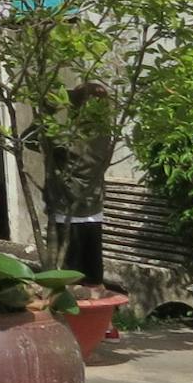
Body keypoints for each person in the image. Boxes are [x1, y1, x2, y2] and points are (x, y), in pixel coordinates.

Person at [44, 81, 114, 284]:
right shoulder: (104, 133)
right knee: (93, 270)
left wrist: (48, 108)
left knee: (69, 273)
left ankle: (71, 311)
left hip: (67, 208)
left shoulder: (69, 138)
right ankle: (96, 310)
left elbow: (32, 138)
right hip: (93, 206)